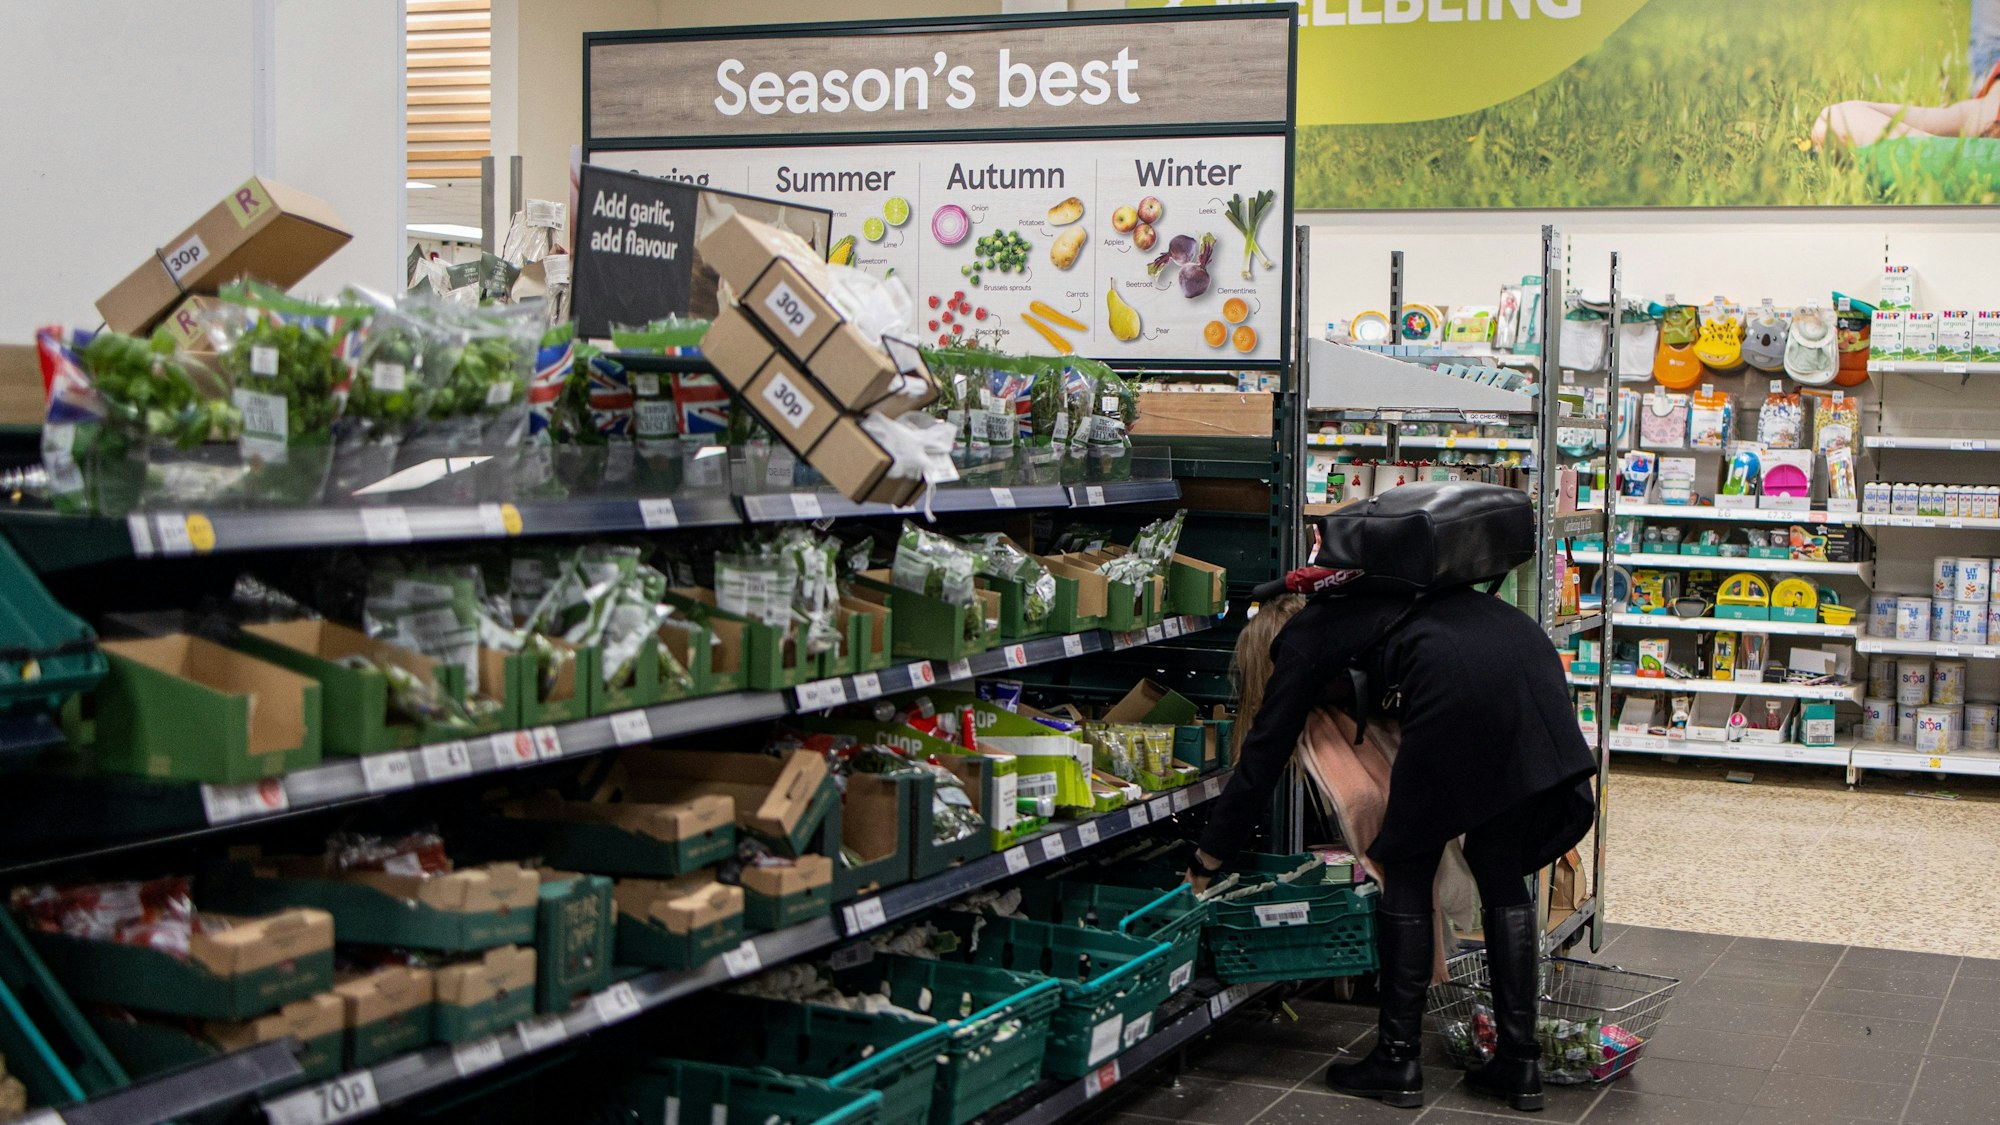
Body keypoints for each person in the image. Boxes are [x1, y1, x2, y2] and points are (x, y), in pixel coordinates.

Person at [1187, 579, 1596, 1112]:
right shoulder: (1367, 610)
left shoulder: (1299, 643)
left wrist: (1207, 859)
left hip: (1458, 679)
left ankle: (1397, 1060)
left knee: (1405, 862)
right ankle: (1520, 1065)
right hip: (1525, 656)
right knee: (1498, 865)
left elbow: (1259, 761)